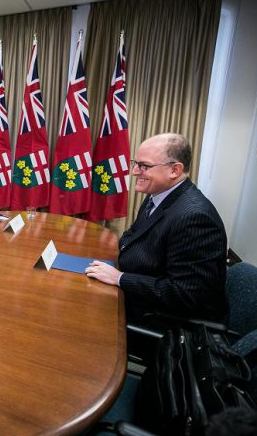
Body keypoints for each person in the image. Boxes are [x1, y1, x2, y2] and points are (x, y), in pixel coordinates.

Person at [85, 133, 227, 322]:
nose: (134, 171)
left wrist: (120, 278)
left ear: (175, 170)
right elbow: (133, 236)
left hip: (167, 322)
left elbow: (185, 294)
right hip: (141, 293)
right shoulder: (157, 195)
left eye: (144, 166)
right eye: (135, 163)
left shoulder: (195, 217)